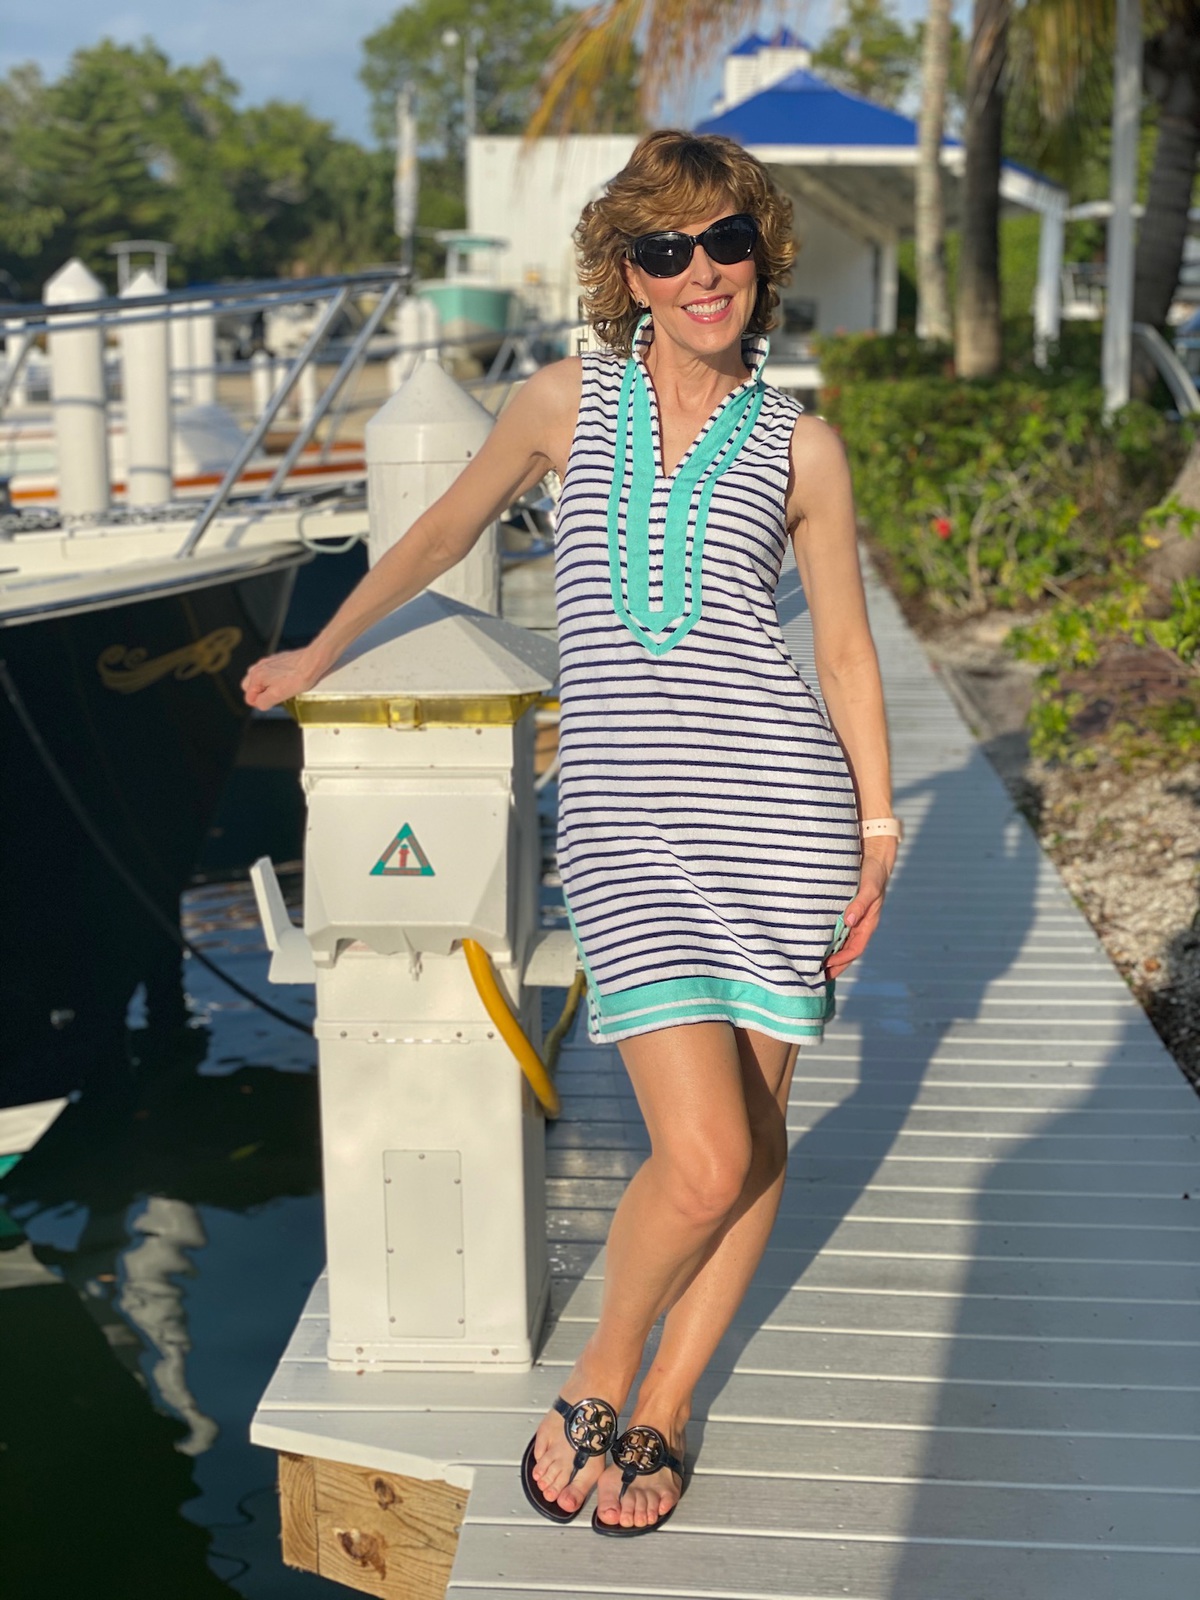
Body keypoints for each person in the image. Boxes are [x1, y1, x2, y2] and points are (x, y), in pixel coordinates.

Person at [242, 128, 898, 1539]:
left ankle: (661, 1408)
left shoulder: (805, 446)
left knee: (759, 1138)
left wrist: (883, 827)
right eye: (666, 248)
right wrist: (319, 650)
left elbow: (842, 655)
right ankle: (604, 1369)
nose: (701, 270)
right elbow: (429, 538)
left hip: (780, 819)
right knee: (705, 1154)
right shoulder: (560, 404)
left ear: (761, 257)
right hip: (626, 828)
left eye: (726, 242)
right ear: (627, 272)